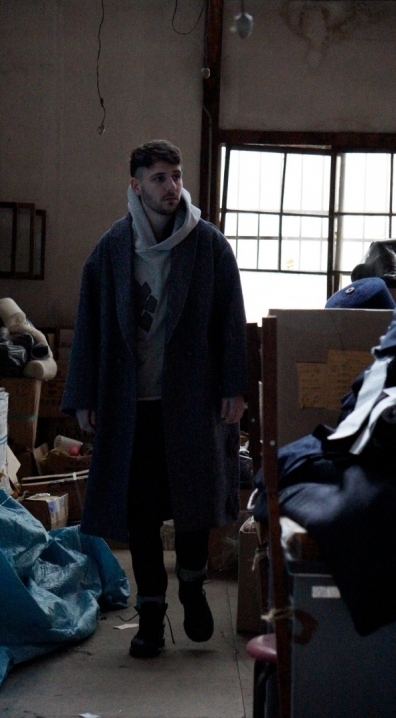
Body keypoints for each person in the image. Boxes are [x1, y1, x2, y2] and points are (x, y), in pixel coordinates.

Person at [62, 140, 247, 658]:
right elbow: (89, 324)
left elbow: (231, 319)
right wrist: (84, 395)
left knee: (193, 504)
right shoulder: (112, 249)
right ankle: (149, 614)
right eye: (159, 177)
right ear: (135, 184)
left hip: (192, 400)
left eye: (176, 176)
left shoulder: (208, 246)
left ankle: (192, 587)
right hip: (132, 403)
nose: (172, 187)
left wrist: (234, 386)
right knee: (139, 512)